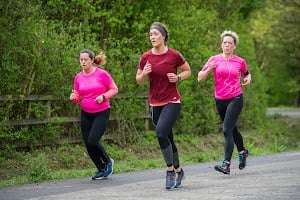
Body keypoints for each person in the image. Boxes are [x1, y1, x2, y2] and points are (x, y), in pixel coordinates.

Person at [136, 22, 191, 190]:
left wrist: (178, 78)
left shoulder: (174, 55)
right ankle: (179, 171)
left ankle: (169, 171)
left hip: (172, 101)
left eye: (155, 34)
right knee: (168, 138)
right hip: (155, 103)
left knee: (160, 133)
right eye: (150, 35)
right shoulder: (146, 57)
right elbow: (138, 80)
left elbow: (187, 70)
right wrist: (144, 74)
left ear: (164, 36)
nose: (152, 37)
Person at [198, 30, 251, 175]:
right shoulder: (214, 59)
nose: (227, 45)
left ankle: (226, 164)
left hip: (236, 97)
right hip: (220, 99)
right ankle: (242, 151)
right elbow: (200, 78)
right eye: (224, 42)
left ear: (234, 46)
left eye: (230, 43)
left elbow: (246, 73)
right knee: (232, 129)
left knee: (226, 129)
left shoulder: (240, 61)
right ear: (221, 44)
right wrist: (209, 69)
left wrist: (248, 78)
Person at [70, 49, 118, 180]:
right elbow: (78, 95)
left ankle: (108, 162)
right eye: (81, 60)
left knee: (93, 140)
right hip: (86, 113)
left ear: (92, 60)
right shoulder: (78, 77)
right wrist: (74, 97)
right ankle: (101, 168)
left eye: (85, 59)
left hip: (101, 112)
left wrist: (103, 96)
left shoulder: (102, 74)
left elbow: (114, 89)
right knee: (87, 143)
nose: (83, 62)